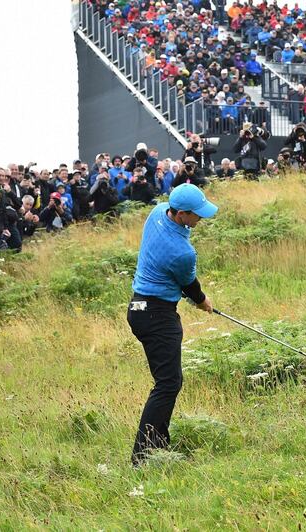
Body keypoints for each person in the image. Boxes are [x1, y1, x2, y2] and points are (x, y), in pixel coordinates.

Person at [127, 183, 218, 466]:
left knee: (166, 382)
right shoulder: (182, 252)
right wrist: (202, 301)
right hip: (156, 315)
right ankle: (143, 456)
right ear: (180, 214)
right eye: (196, 215)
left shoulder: (156, 212)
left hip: (138, 307)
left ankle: (159, 444)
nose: (200, 219)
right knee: (168, 384)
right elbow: (189, 285)